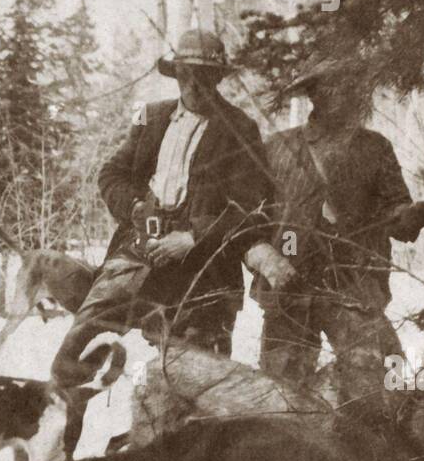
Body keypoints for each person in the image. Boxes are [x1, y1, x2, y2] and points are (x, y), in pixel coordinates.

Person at [50, 29, 269, 388]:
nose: (194, 86)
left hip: (202, 273)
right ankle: (64, 433)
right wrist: (137, 208)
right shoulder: (149, 117)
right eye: (187, 75)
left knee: (195, 384)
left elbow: (252, 206)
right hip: (138, 256)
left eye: (205, 77)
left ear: (217, 79)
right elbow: (111, 173)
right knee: (71, 358)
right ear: (177, 74)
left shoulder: (241, 128)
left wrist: (195, 237)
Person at [256, 60, 424, 401]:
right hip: (288, 289)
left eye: (348, 84)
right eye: (330, 85)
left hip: (356, 288)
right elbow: (253, 220)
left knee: (380, 393)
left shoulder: (374, 147)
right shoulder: (277, 147)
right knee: (282, 400)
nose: (342, 93)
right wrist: (265, 259)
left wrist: (410, 217)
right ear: (313, 93)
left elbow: (395, 209)